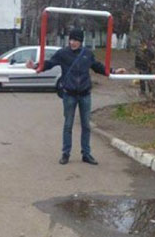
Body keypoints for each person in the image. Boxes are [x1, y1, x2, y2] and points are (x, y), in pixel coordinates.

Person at [26, 28, 126, 165]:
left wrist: (113, 71)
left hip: (85, 94)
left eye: (76, 40)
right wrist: (35, 66)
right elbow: (49, 63)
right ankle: (65, 154)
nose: (72, 42)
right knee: (68, 125)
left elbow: (98, 67)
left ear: (81, 41)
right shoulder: (63, 53)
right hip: (69, 95)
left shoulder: (87, 54)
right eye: (71, 40)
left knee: (86, 126)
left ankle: (86, 154)